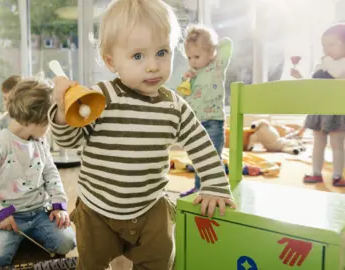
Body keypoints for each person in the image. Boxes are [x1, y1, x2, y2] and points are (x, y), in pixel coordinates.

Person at [49, 0, 235, 269]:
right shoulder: (101, 98)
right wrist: (63, 113)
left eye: (162, 52)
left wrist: (215, 184)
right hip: (98, 208)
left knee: (160, 259)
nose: (152, 66)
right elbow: (68, 141)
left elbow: (201, 142)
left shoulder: (174, 106)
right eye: (138, 56)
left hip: (150, 206)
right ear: (111, 61)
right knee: (92, 262)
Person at [0, 77, 76, 270]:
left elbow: (50, 171)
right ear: (36, 120)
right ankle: (0, 232)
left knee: (68, 242)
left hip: (40, 212)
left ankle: (24, 236)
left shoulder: (40, 141)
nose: (49, 128)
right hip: (10, 217)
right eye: (48, 122)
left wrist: (59, 203)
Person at [178, 25, 233, 196]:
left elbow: (227, 44)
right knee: (198, 158)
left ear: (210, 53)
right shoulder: (192, 74)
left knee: (213, 159)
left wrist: (211, 48)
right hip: (196, 123)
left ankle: (216, 190)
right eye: (189, 57)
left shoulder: (217, 66)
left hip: (214, 122)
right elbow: (183, 95)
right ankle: (199, 188)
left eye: (197, 56)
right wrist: (186, 79)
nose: (192, 61)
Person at [290, 23, 345, 187]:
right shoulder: (322, 64)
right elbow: (313, 86)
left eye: (331, 45)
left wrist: (326, 63)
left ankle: (337, 175)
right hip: (319, 109)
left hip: (337, 109)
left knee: (337, 144)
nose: (326, 50)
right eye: (324, 45)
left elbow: (336, 75)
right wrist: (300, 77)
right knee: (318, 143)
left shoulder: (336, 64)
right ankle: (316, 173)